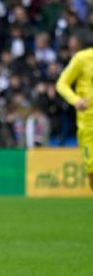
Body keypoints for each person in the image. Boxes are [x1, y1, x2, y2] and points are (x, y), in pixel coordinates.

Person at [56, 47, 93, 190]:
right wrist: (75, 100)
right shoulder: (82, 58)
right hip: (88, 124)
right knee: (91, 171)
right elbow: (61, 83)